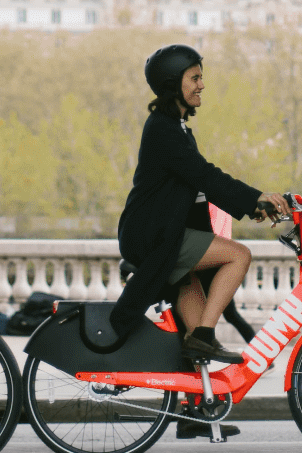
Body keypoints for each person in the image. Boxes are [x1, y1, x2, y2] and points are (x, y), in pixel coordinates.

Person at [113, 44, 283, 369]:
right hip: (154, 236)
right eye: (194, 78)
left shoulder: (174, 128)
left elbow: (202, 185)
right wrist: (253, 199)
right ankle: (205, 334)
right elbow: (207, 176)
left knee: (193, 345)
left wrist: (255, 205)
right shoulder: (164, 130)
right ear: (172, 84)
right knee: (239, 255)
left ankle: (195, 416)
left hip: (162, 232)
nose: (202, 84)